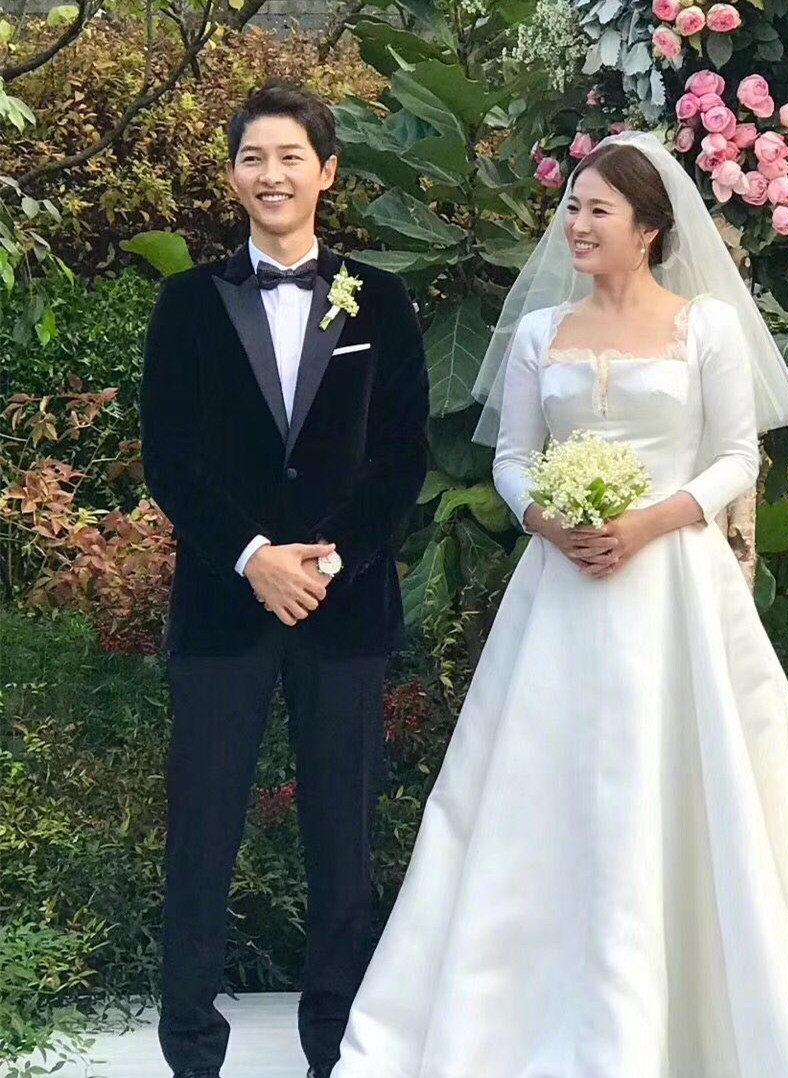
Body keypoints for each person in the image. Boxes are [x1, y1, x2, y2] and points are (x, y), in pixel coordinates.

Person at [329, 130, 788, 1076]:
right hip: (560, 588)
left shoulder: (706, 328)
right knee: (535, 788)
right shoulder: (538, 334)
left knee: (695, 779)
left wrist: (646, 522)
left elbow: (733, 457)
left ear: (649, 228)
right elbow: (513, 458)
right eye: (572, 208)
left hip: (675, 585)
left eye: (598, 211)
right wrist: (550, 521)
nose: (576, 225)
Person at [139, 81, 429, 1078]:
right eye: (253, 157)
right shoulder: (187, 303)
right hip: (224, 606)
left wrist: (328, 558)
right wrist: (253, 557)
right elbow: (171, 457)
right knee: (201, 834)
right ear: (233, 175)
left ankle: (334, 1051)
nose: (272, 175)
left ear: (327, 172)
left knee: (342, 842)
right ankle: (191, 1051)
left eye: (290, 157)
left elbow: (401, 456)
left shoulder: (380, 300)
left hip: (344, 610)